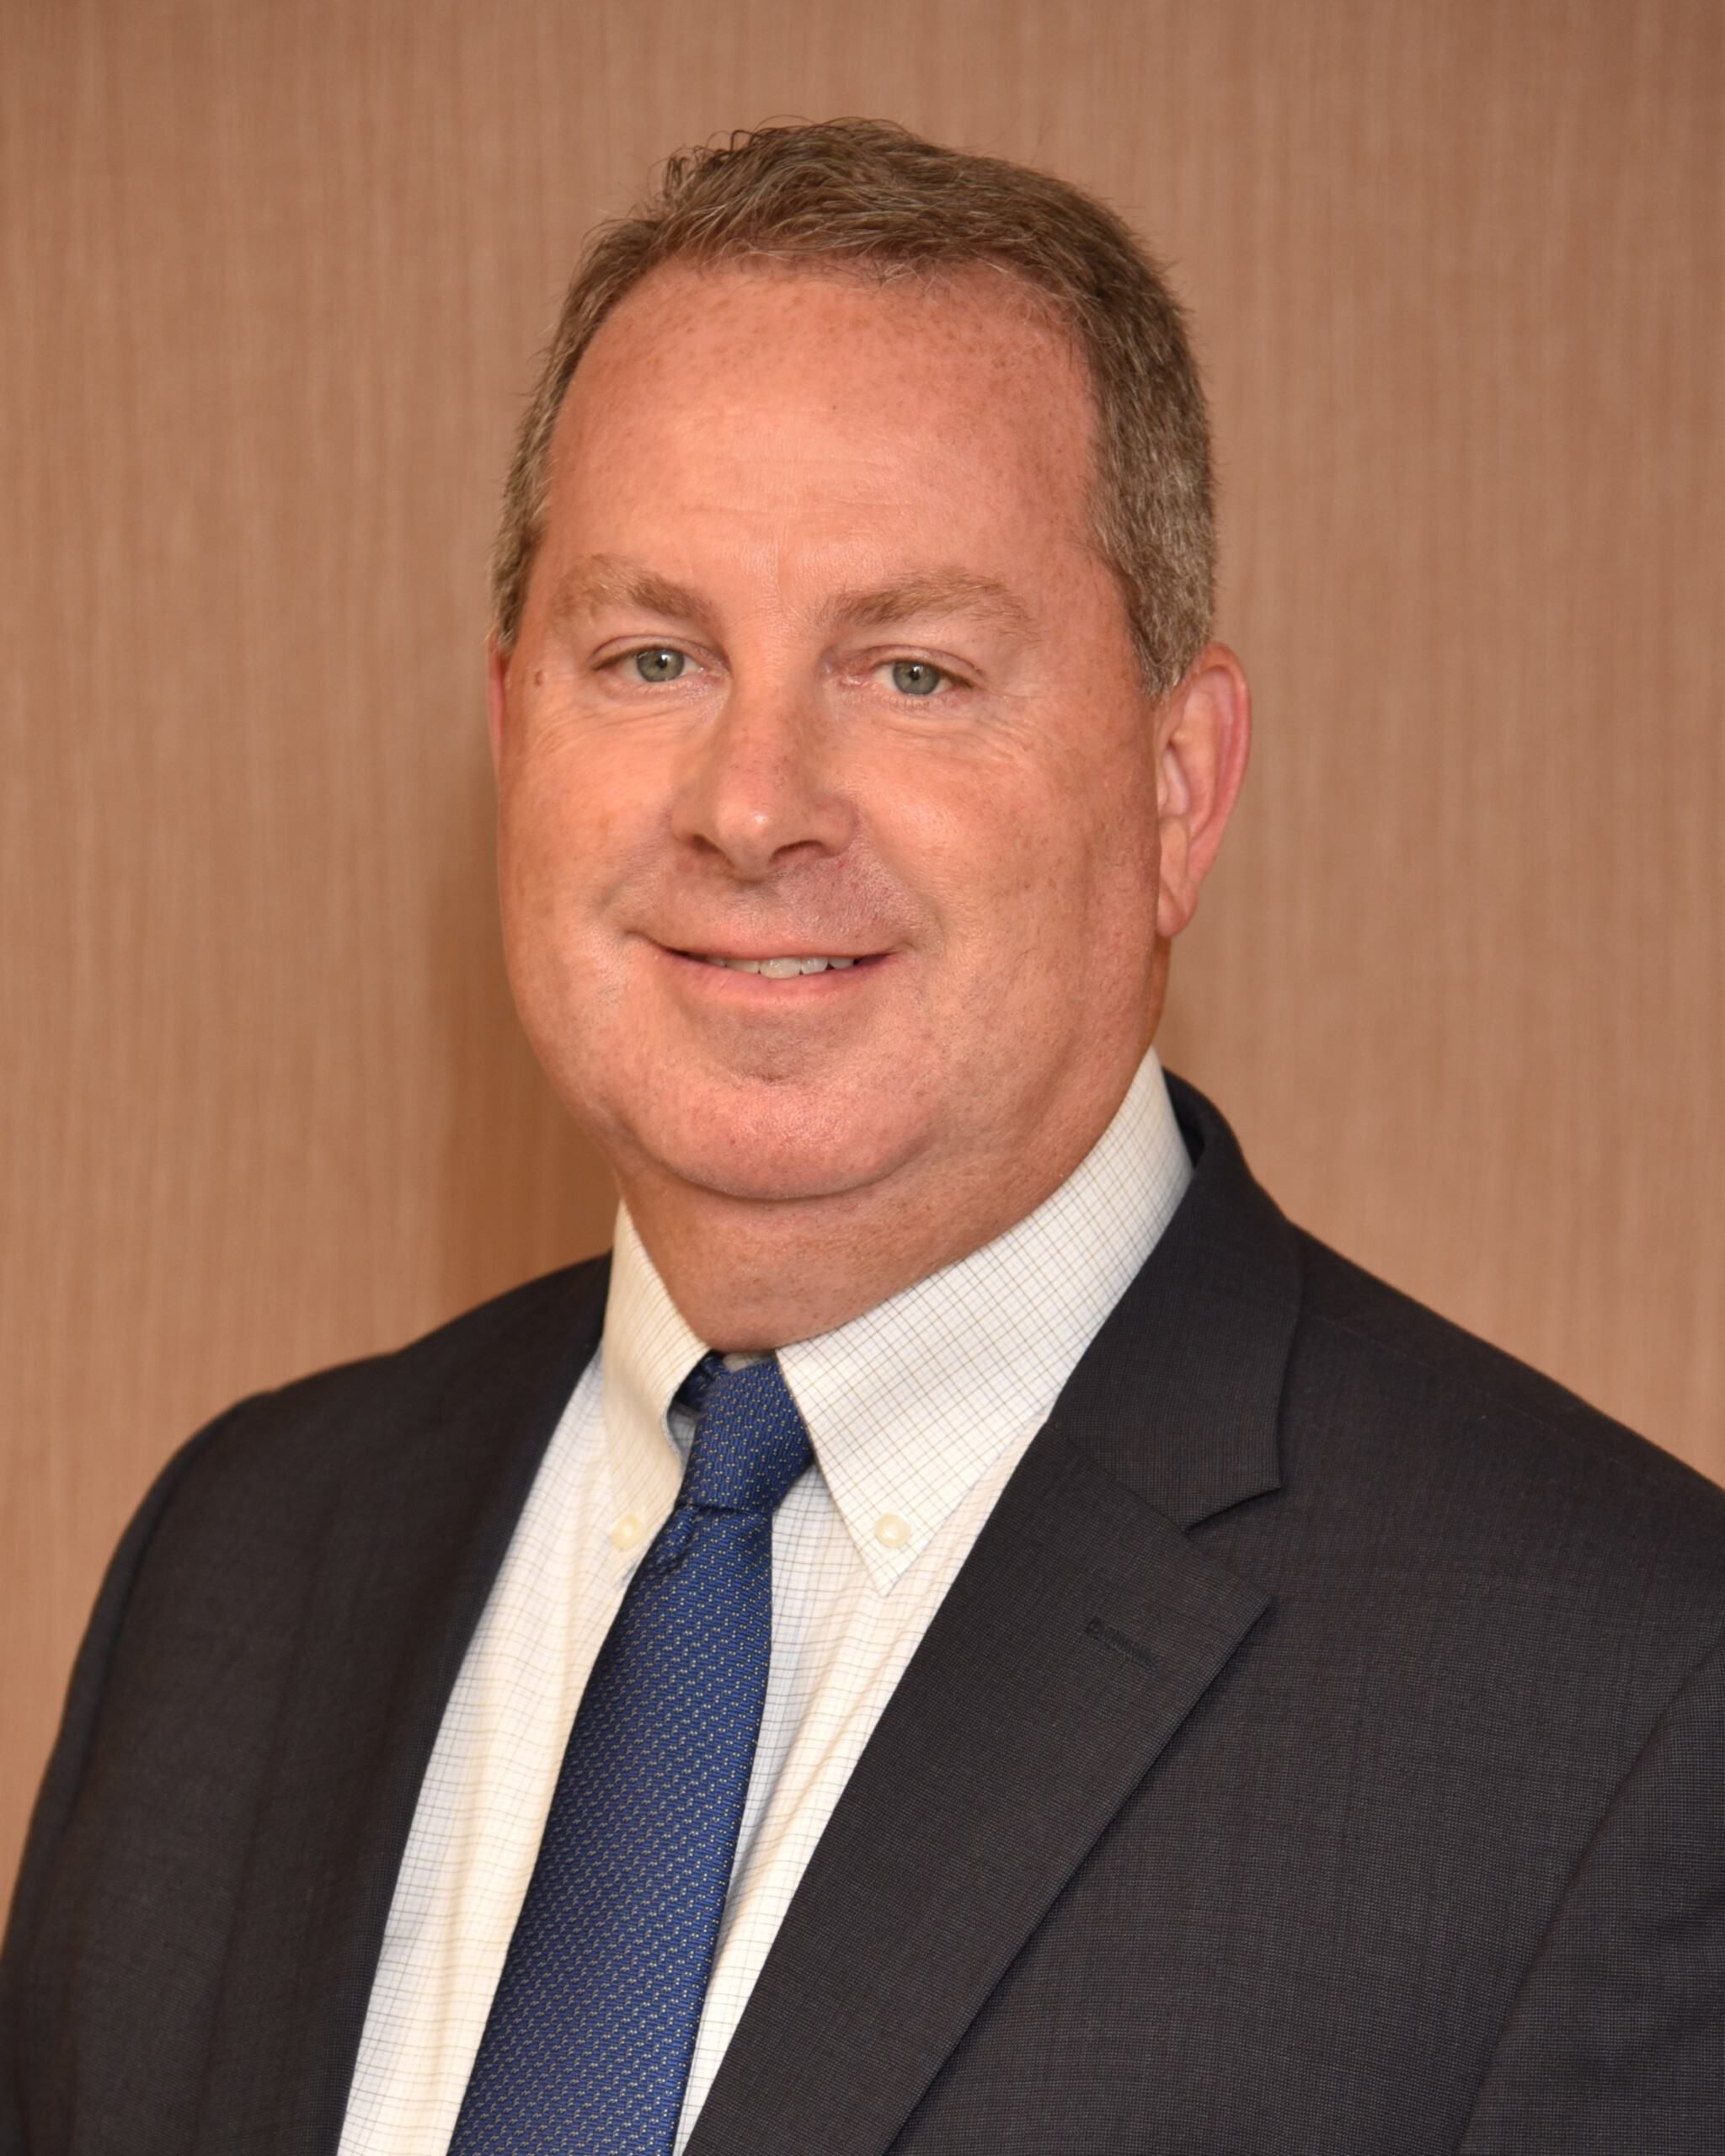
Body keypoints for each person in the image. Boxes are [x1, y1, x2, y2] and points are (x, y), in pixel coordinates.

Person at [3, 119, 1722, 2156]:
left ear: (1178, 785)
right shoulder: (238, 1560)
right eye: (652, 657)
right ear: (511, 729)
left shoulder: (1625, 1699)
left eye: (911, 669)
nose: (752, 803)